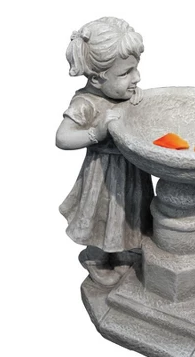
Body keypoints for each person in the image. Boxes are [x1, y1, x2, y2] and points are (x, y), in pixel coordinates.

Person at [56, 17, 154, 286]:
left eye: (136, 69)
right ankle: (95, 257)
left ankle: (122, 252)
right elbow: (62, 138)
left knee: (127, 215)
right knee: (101, 217)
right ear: (97, 79)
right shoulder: (85, 103)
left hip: (131, 172)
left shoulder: (121, 94)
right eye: (126, 73)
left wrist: (135, 98)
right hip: (103, 177)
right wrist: (95, 133)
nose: (137, 77)